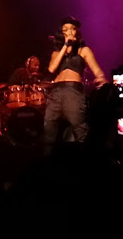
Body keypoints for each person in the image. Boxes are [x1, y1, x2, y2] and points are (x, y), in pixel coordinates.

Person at [43, 16, 108, 154]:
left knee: (80, 129)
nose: (69, 32)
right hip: (55, 93)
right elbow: (51, 69)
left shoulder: (84, 50)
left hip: (73, 91)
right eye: (65, 30)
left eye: (72, 29)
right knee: (49, 130)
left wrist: (102, 80)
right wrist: (65, 46)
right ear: (62, 33)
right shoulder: (56, 53)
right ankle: (47, 160)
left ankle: (85, 160)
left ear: (77, 32)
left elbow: (97, 71)